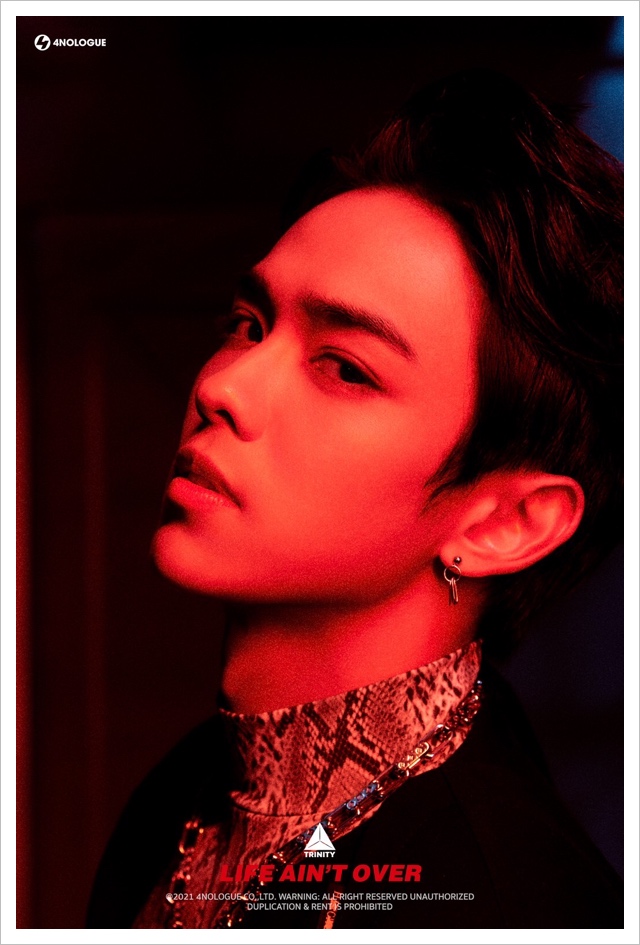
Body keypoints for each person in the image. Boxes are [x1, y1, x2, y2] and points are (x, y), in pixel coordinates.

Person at [86, 69, 623, 929]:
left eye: (344, 368)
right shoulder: (182, 802)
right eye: (248, 325)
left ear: (504, 521)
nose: (224, 387)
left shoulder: (504, 899)